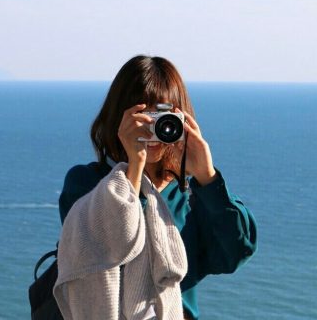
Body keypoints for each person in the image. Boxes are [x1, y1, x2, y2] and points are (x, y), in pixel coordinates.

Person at [54, 55, 257, 320]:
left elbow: (235, 254)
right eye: (144, 117)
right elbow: (107, 244)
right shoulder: (87, 184)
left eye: (163, 118)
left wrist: (207, 177)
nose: (153, 128)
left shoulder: (189, 196)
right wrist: (134, 167)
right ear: (119, 118)